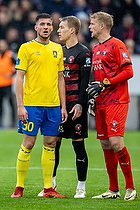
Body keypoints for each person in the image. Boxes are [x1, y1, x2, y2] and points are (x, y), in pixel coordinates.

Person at [11, 13, 68, 198]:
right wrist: (20, 106)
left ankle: (48, 189)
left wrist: (63, 106)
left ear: (52, 28)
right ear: (36, 27)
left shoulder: (57, 48)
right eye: (42, 24)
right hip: (32, 105)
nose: (46, 27)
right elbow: (19, 78)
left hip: (52, 106)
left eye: (49, 24)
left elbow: (61, 79)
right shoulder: (26, 48)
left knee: (51, 143)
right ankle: (19, 187)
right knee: (28, 142)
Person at [38, 15, 91, 198]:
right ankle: (50, 185)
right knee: (54, 145)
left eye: (61, 27)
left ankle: (81, 187)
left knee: (78, 147)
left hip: (75, 108)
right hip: (58, 107)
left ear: (72, 30)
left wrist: (79, 104)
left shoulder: (83, 52)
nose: (57, 30)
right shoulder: (58, 51)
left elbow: (85, 82)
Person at [87, 11, 137, 201]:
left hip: (116, 99)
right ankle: (113, 189)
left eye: (92, 24)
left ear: (102, 26)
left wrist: (106, 83)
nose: (89, 26)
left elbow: (129, 71)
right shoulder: (96, 49)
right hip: (101, 101)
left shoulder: (117, 45)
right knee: (105, 144)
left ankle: (130, 188)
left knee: (116, 143)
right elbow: (97, 79)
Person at [0, 39, 17, 128]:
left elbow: (18, 65)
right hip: (0, 84)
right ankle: (1, 123)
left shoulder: (10, 55)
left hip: (8, 84)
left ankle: (14, 123)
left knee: (11, 104)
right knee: (0, 105)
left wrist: (11, 73)